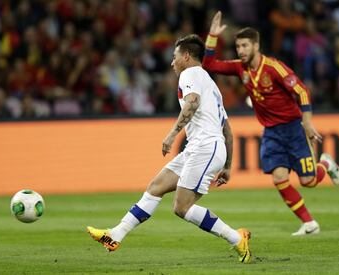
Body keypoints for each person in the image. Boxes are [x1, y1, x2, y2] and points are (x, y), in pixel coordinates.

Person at [87, 34, 252, 263]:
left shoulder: (190, 74)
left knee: (182, 207)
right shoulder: (211, 85)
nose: (172, 62)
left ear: (186, 56)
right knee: (155, 187)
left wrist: (173, 134)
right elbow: (228, 131)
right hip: (204, 147)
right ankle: (115, 235)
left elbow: (192, 102)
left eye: (174, 57)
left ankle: (236, 239)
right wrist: (227, 165)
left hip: (205, 147)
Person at [203, 12, 339, 236]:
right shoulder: (241, 68)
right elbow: (209, 63)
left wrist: (307, 121)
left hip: (294, 129)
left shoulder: (274, 68)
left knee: (308, 181)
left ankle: (326, 165)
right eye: (238, 46)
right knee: (279, 178)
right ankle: (309, 223)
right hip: (271, 133)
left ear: (256, 45)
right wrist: (212, 36)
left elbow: (301, 90)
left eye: (245, 46)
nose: (241, 51)